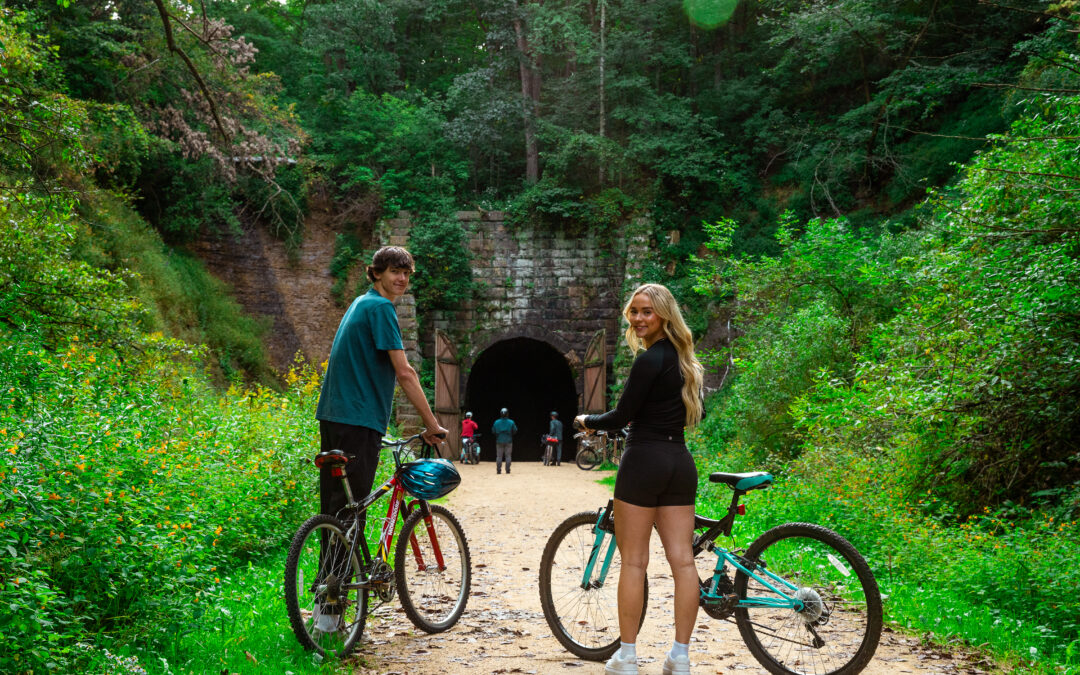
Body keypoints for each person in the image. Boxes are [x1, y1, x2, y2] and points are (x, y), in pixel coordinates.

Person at [315, 246, 448, 631]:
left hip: (334, 415)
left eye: (406, 273)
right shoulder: (382, 309)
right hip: (358, 420)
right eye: (393, 272)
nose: (401, 279)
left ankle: (327, 610)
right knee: (349, 513)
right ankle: (331, 616)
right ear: (376, 273)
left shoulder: (360, 304)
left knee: (337, 511)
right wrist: (432, 424)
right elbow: (405, 372)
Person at [575, 283, 704, 675]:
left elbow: (622, 415)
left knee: (634, 562)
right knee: (683, 562)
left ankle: (628, 657)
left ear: (663, 314)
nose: (638, 318)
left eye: (647, 311)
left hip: (644, 460)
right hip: (679, 462)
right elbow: (697, 413)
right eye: (634, 311)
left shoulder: (649, 360)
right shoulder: (686, 361)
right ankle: (680, 657)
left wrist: (587, 419)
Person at [491, 407, 518, 474]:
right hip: (508, 441)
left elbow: (493, 431)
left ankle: (498, 470)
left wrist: (498, 435)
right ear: (507, 414)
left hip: (499, 441)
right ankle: (507, 470)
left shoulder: (496, 422)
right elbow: (515, 430)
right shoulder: (511, 422)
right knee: (508, 456)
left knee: (499, 456)